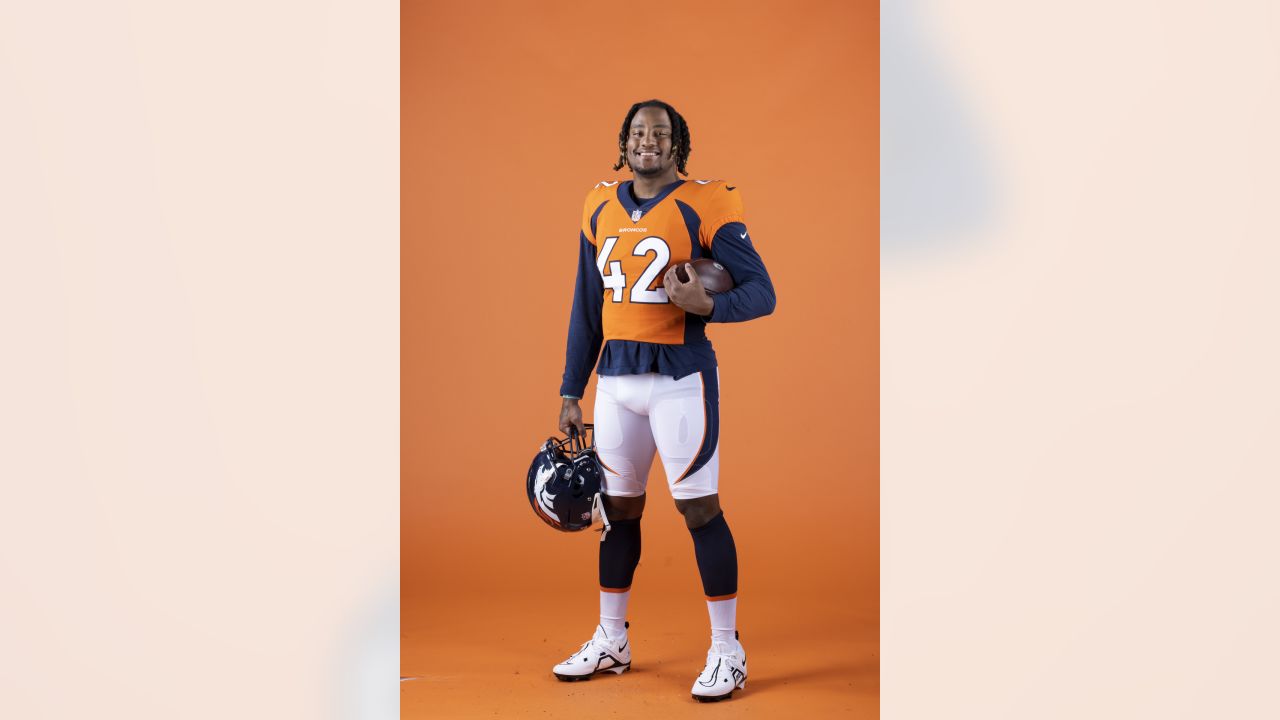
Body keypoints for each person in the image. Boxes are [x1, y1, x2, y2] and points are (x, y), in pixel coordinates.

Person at [552, 99, 776, 702]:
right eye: (637, 132)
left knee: (699, 510)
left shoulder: (707, 201)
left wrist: (711, 307)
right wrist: (573, 388)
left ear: (679, 145)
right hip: (617, 383)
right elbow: (587, 304)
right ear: (623, 143)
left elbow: (762, 292)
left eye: (661, 132)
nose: (648, 141)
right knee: (617, 513)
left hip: (681, 379)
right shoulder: (598, 202)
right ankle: (611, 638)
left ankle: (728, 650)